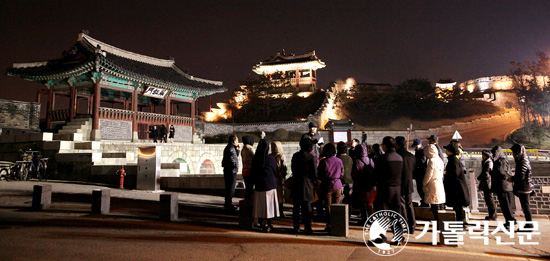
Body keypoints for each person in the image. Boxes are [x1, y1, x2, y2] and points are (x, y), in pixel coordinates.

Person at [290, 138, 318, 234]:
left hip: (296, 181)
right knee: (307, 206)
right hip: (307, 183)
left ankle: (296, 226)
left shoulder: (295, 156)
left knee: (296, 206)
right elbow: (314, 173)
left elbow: (293, 169)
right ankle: (307, 227)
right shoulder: (311, 158)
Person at [252, 139, 279, 232]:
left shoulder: (256, 158)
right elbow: (275, 170)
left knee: (260, 206)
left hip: (259, 185)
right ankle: (269, 224)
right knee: (269, 207)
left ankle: (261, 224)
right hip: (270, 185)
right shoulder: (270, 158)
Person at [318, 143, 344, 231]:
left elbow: (320, 175)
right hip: (337, 184)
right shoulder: (339, 160)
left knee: (328, 206)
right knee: (337, 205)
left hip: (327, 185)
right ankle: (337, 225)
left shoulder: (323, 161)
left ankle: (329, 224)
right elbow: (342, 173)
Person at [443, 142, 470, 223]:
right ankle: (460, 222)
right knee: (457, 207)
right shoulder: (453, 159)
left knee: (458, 207)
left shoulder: (453, 160)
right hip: (456, 187)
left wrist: (446, 174)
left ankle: (460, 223)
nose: (446, 151)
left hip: (456, 188)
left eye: (447, 150)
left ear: (450, 151)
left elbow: (455, 174)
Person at [374, 136, 403, 213]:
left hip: (385, 188)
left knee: (382, 210)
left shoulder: (382, 158)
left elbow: (376, 174)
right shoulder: (400, 158)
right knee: (396, 211)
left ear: (385, 146)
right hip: (397, 187)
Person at [510, 143, 535, 231]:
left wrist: (512, 179)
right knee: (525, 207)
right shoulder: (522, 160)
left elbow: (521, 176)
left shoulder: (523, 161)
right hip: (524, 187)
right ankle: (529, 225)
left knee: (526, 207)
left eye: (514, 153)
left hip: (524, 187)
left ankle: (529, 226)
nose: (513, 155)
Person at [490, 146, 515, 227]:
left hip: (504, 186)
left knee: (506, 205)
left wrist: (493, 173)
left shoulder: (501, 161)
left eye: (495, 153)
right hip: (502, 186)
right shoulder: (499, 160)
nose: (493, 155)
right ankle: (509, 220)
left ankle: (510, 221)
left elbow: (503, 172)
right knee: (505, 205)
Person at [351, 144, 376, 224]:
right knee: (369, 202)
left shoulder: (356, 161)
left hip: (360, 184)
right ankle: (371, 219)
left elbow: (354, 174)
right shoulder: (370, 159)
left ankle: (364, 219)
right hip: (369, 184)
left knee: (362, 202)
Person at [396, 136, 416, 233]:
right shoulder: (411, 156)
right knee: (409, 204)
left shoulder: (397, 156)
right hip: (409, 183)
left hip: (400, 183)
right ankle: (412, 226)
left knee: (402, 205)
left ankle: (405, 225)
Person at [422, 144, 446, 221]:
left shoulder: (431, 161)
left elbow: (428, 174)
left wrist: (424, 183)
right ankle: (440, 225)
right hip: (439, 183)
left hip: (432, 184)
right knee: (439, 205)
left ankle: (438, 225)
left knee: (434, 207)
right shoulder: (440, 160)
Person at [477, 150, 497, 221]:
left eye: (483, 155)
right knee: (488, 199)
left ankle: (493, 215)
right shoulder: (486, 162)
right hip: (486, 183)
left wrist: (479, 178)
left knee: (489, 199)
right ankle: (491, 215)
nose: (482, 156)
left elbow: (486, 173)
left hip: (488, 183)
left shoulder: (488, 162)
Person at [222, 135, 240, 211]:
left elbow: (234, 156)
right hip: (231, 171)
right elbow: (233, 159)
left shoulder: (230, 148)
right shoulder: (230, 148)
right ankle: (228, 204)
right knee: (231, 188)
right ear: (234, 141)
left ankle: (227, 203)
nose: (238, 142)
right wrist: (235, 167)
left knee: (229, 188)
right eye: (237, 140)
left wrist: (237, 150)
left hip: (229, 171)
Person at [270, 141, 287, 217]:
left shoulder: (270, 156)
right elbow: (284, 167)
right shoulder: (281, 155)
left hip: (272, 177)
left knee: (273, 194)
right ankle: (280, 212)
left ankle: (273, 211)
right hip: (279, 178)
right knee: (280, 195)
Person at [411, 138, 428, 206]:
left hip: (421, 173)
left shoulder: (421, 151)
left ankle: (424, 201)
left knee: (421, 188)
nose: (415, 147)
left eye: (416, 145)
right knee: (419, 188)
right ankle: (423, 201)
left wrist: (415, 160)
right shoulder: (417, 151)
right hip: (418, 173)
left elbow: (422, 161)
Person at [241, 136, 255, 200]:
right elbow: (255, 157)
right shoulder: (250, 149)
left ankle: (246, 200)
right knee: (250, 187)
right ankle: (249, 201)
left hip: (244, 169)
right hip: (250, 169)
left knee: (247, 186)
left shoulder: (243, 149)